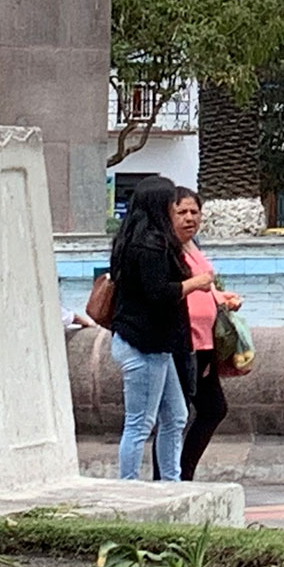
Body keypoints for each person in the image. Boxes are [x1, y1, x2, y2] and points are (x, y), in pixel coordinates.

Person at [107, 177, 215, 480]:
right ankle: (128, 485)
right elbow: (158, 293)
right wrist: (196, 282)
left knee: (177, 416)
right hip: (144, 345)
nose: (177, 210)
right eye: (171, 204)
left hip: (158, 344)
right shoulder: (149, 246)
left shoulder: (135, 240)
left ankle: (171, 480)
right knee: (140, 422)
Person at [172, 186, 243, 482]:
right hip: (184, 342)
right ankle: (173, 474)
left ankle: (182, 472)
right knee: (178, 415)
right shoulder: (169, 250)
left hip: (205, 342)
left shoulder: (193, 246)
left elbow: (206, 287)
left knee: (212, 408)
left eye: (194, 212)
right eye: (182, 212)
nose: (190, 218)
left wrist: (223, 297)